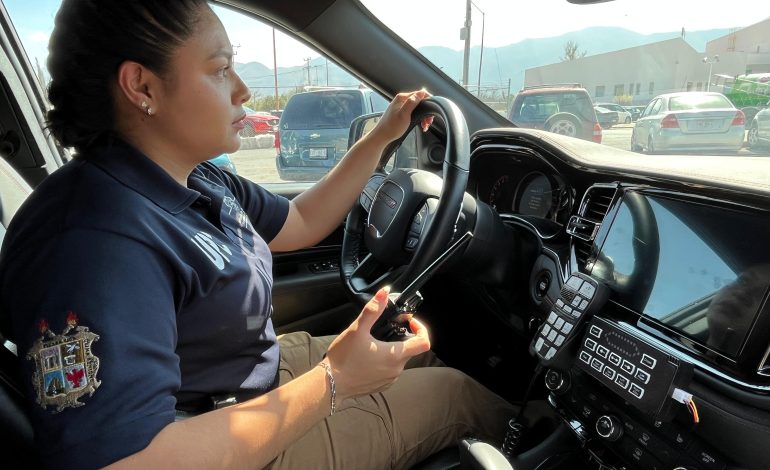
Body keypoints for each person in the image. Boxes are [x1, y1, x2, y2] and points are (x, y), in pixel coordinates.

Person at [0, 1, 516, 469]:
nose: (242, 89)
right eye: (220, 69)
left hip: (252, 380)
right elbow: (129, 463)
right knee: (456, 394)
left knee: (420, 349)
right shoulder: (92, 244)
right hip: (221, 438)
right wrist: (336, 381)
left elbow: (302, 222)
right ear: (142, 87)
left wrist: (381, 137)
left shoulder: (194, 174)